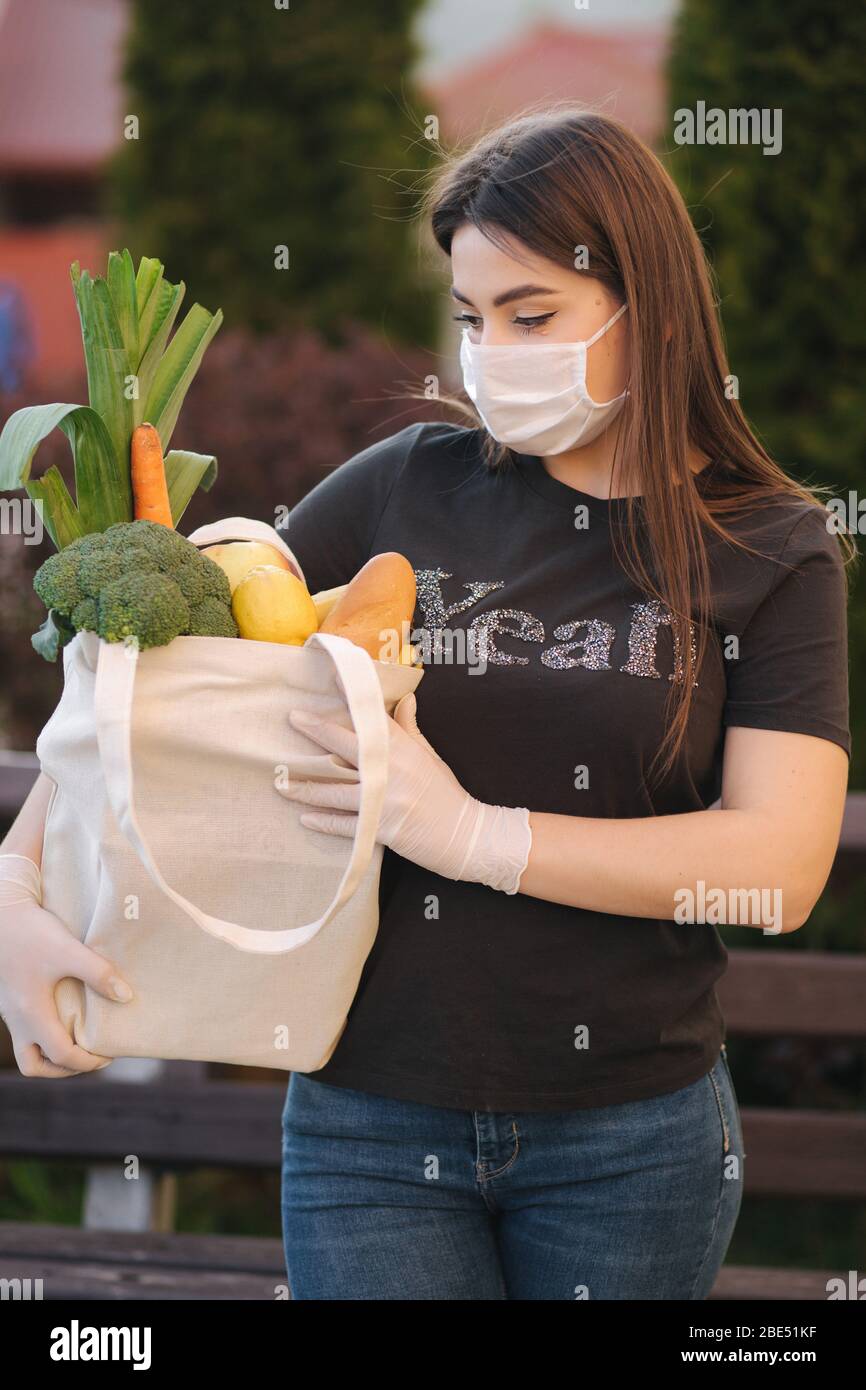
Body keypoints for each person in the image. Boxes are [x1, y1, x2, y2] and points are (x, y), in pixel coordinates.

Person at [0, 109, 851, 1300]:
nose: (489, 351)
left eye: (531, 315)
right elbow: (174, 686)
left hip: (628, 1140)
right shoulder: (403, 486)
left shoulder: (768, 547)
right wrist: (17, 886)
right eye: (470, 318)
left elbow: (777, 861)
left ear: (646, 308)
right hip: (366, 1125)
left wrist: (470, 835)